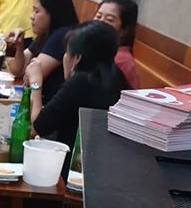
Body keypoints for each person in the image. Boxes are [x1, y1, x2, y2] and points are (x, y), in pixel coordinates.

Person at [29, 21, 124, 153]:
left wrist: (35, 83)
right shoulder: (119, 78)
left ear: (77, 58)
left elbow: (37, 127)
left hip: (71, 160)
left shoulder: (80, 82)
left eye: (67, 52)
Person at [7, 0, 79, 102]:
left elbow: (29, 79)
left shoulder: (62, 35)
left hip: (49, 104)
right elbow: (16, 70)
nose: (31, 16)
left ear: (53, 14)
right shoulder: (45, 34)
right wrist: (19, 46)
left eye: (37, 11)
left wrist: (25, 71)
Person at [95, 0, 139, 89]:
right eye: (98, 16)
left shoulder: (123, 61)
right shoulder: (93, 48)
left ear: (124, 30)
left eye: (109, 20)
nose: (100, 23)